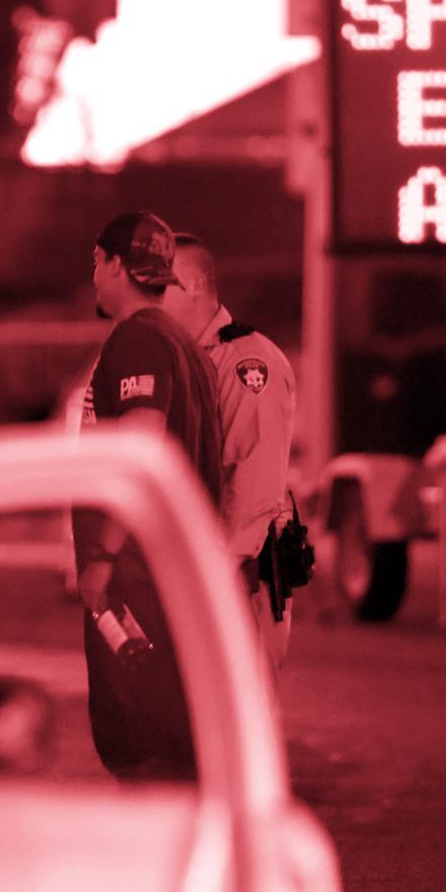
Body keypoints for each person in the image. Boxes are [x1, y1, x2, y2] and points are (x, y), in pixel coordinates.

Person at [76, 211, 223, 781]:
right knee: (174, 745)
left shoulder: (137, 340)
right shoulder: (182, 343)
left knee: (145, 747)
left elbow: (140, 444)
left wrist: (104, 555)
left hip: (141, 581)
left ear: (116, 264)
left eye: (95, 263)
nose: (94, 277)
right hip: (178, 576)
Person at [164, 232, 303, 673]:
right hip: (204, 569)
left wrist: (214, 573)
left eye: (156, 285)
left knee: (237, 718)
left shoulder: (247, 363)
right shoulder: (178, 358)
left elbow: (253, 484)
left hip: (239, 574)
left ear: (194, 285)